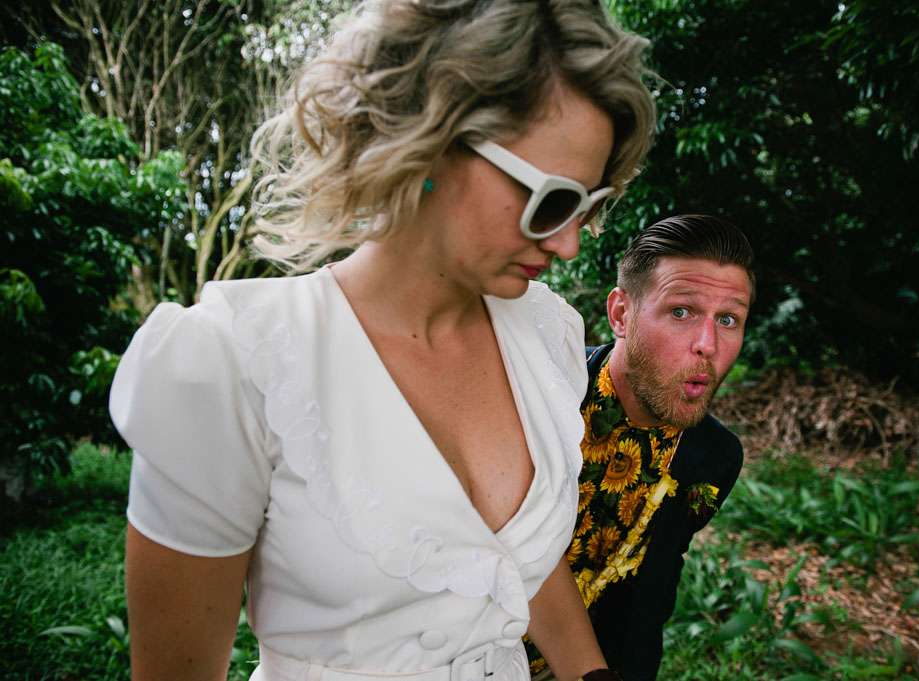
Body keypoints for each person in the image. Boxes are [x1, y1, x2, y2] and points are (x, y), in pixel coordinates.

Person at [107, 2, 656, 680]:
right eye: (551, 201)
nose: (569, 242)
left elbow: (513, 564)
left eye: (587, 206)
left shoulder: (547, 333)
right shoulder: (232, 363)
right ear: (429, 141)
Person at [528, 215, 753, 681]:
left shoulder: (716, 457)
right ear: (620, 315)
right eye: (681, 312)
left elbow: (648, 597)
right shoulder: (540, 392)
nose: (708, 345)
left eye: (728, 319)